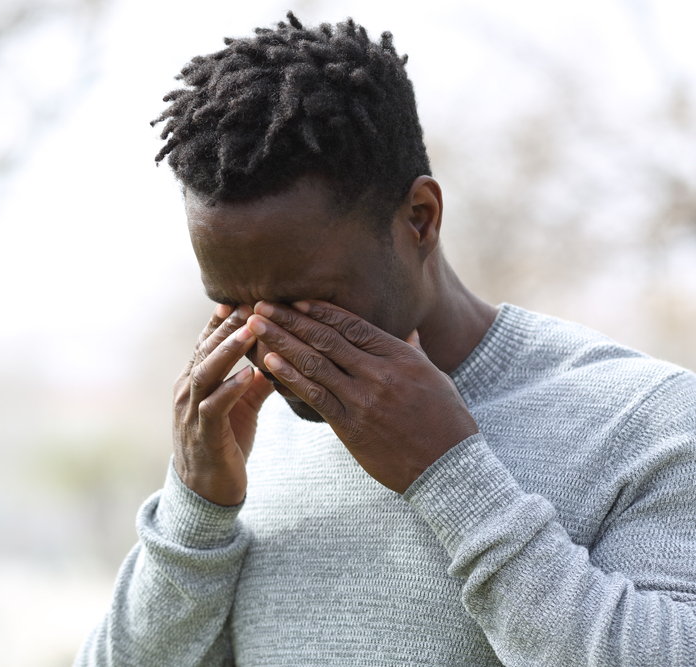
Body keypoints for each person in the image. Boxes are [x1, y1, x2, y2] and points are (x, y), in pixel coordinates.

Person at [74, 12, 696, 666]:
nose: (267, 342)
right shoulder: (243, 439)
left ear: (420, 220)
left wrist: (451, 473)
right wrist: (193, 516)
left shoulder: (647, 422)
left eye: (303, 300)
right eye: (231, 303)